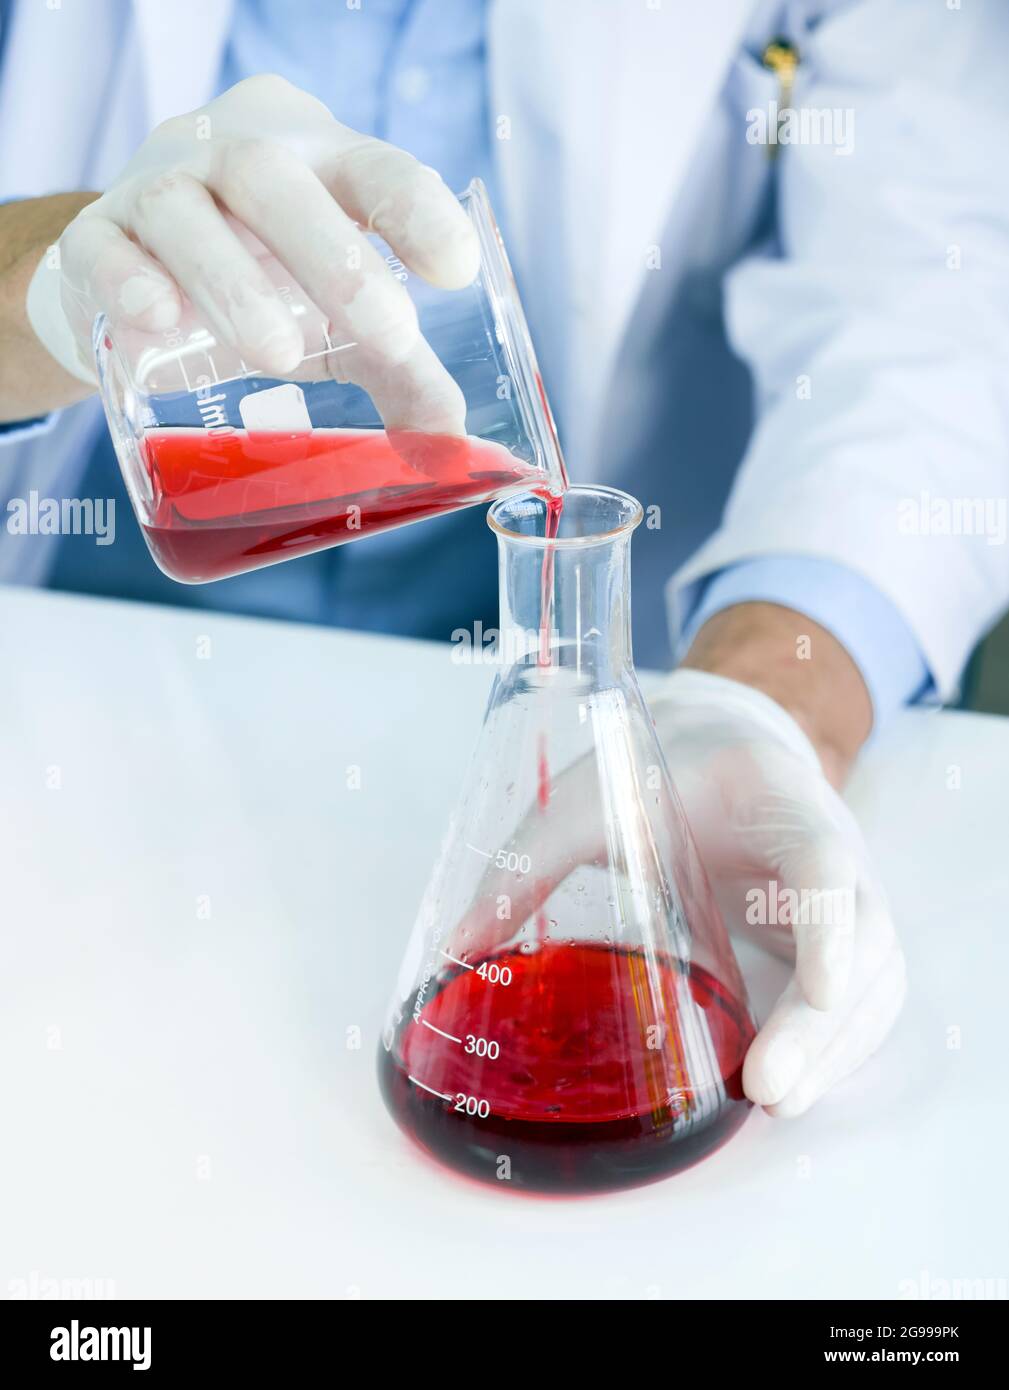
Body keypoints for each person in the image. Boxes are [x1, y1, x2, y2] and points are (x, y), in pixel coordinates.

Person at [2, 0, 1008, 1118]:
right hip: (72, 730)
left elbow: (934, 303)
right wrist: (44, 285)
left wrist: (771, 702)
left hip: (570, 771)